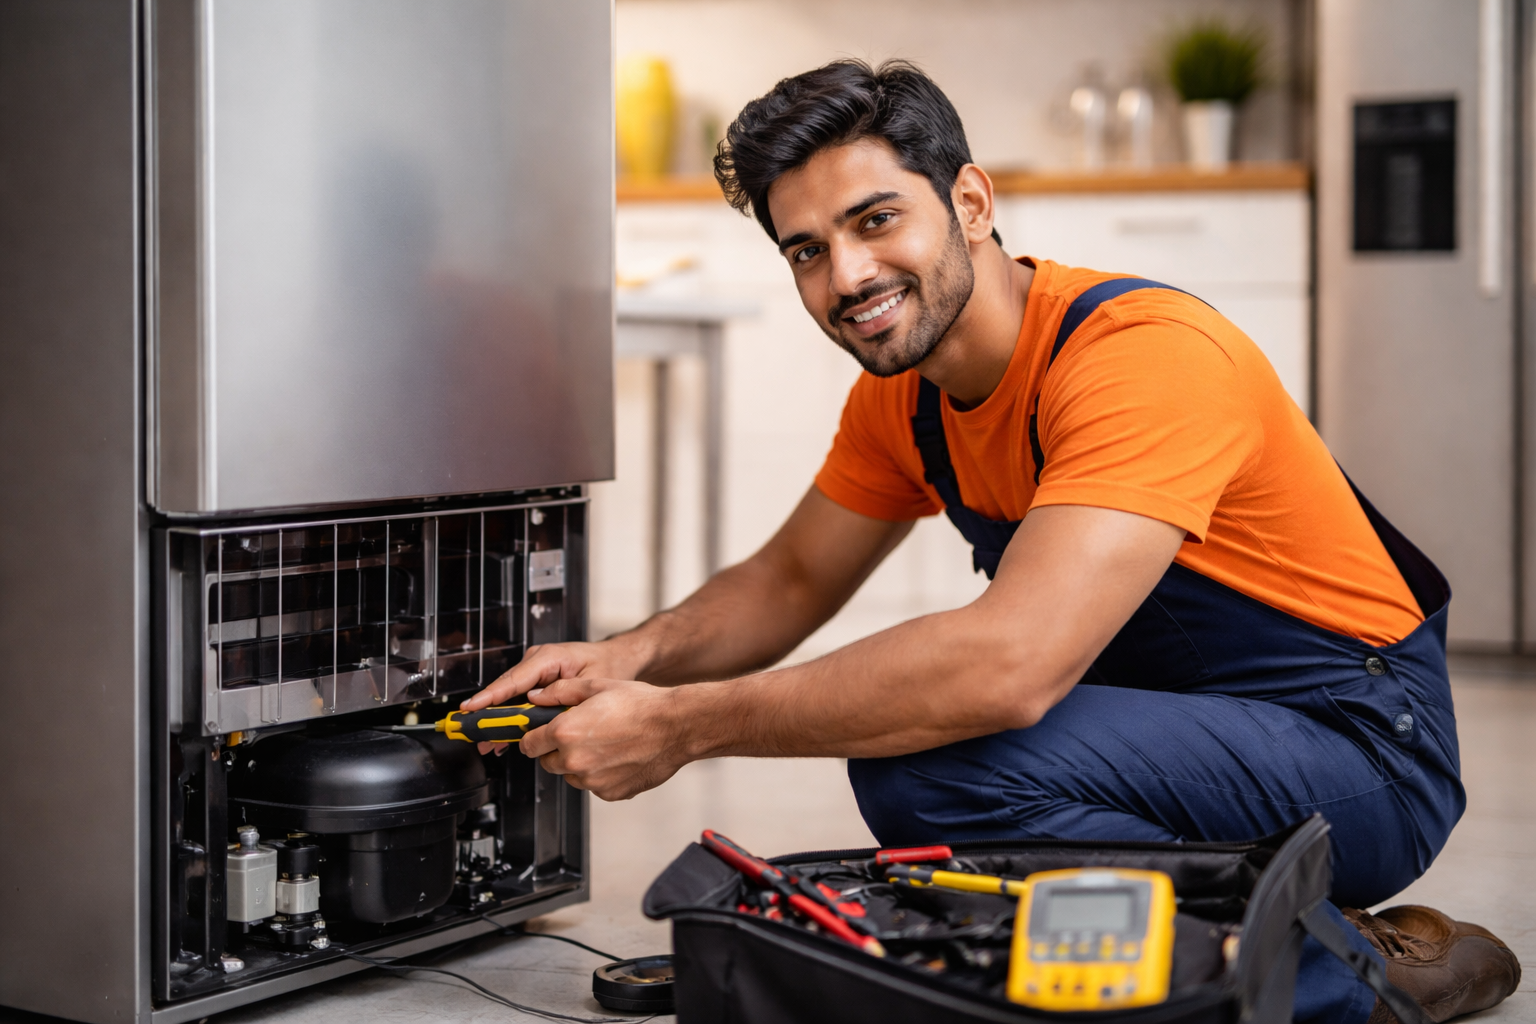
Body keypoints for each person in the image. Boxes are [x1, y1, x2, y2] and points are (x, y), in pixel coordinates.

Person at [464, 60, 1519, 1023]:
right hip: (1204, 732)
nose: (847, 276)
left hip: (1364, 751)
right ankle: (1143, 963)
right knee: (926, 777)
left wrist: (685, 725)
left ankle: (1342, 976)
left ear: (971, 203)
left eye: (876, 220)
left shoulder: (1140, 358)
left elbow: (1012, 666)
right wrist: (626, 656)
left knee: (944, 759)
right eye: (808, 251)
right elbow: (788, 577)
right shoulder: (910, 397)